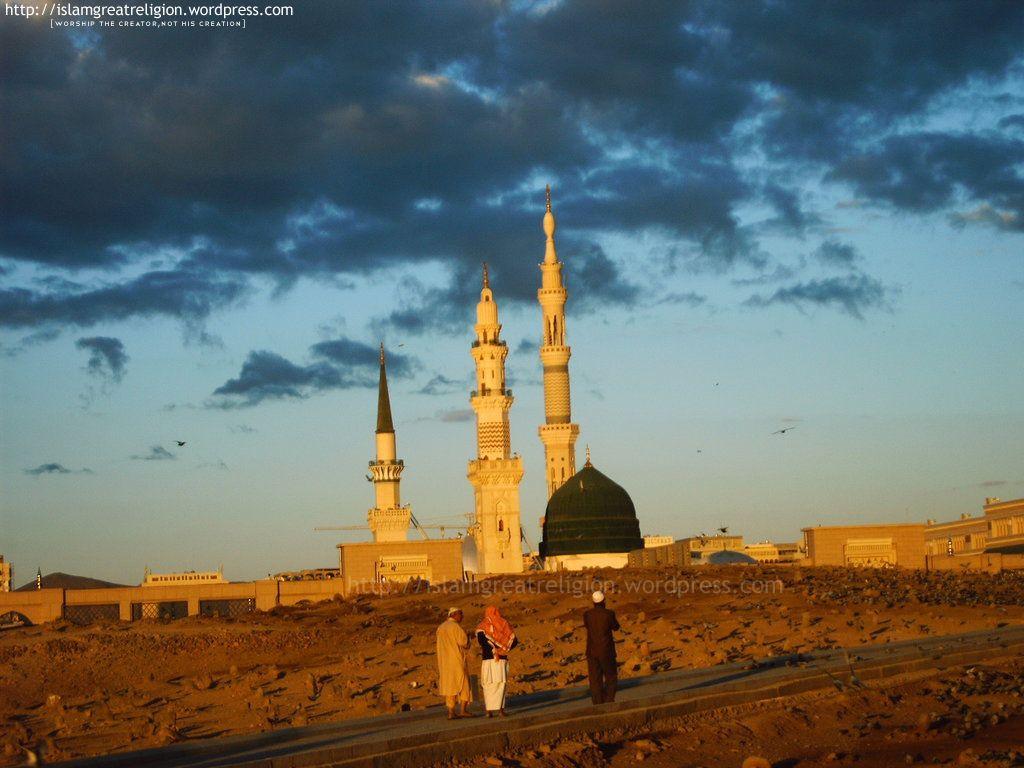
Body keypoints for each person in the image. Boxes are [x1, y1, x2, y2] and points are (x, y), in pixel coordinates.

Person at [476, 605, 518, 717]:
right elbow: (514, 641)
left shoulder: (482, 626)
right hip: (501, 659)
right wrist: (502, 649)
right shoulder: (505, 624)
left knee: (488, 684)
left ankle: (488, 711)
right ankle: (501, 711)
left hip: (488, 659)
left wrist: (493, 649)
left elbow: (482, 642)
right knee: (501, 684)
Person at [583, 589, 620, 704]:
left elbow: (587, 626)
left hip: (592, 651)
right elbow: (616, 627)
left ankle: (598, 703)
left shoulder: (587, 615)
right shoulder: (609, 614)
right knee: (610, 676)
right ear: (604, 601)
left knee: (595, 679)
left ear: (593, 602)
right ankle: (609, 700)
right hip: (607, 651)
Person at [436, 607, 473, 719]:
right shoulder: (455, 627)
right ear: (455, 614)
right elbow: (464, 642)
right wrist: (470, 638)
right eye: (461, 614)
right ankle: (463, 710)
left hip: (444, 662)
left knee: (449, 686)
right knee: (464, 685)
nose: (462, 616)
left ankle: (451, 712)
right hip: (456, 661)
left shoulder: (441, 627)